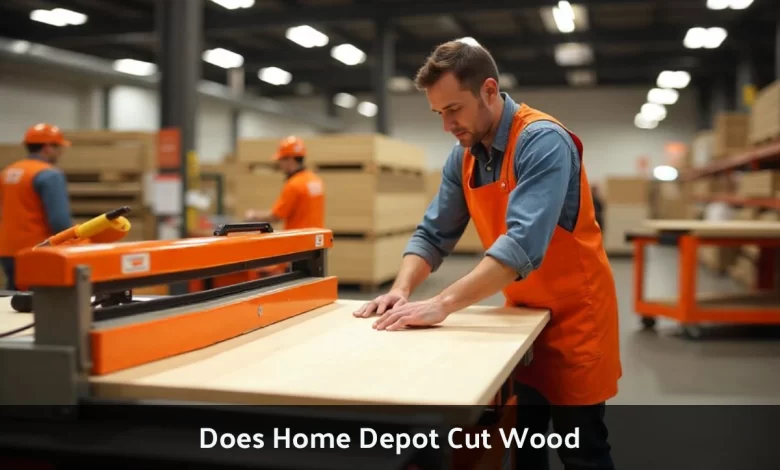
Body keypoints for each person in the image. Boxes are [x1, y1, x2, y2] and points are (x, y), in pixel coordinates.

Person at [352, 40, 620, 470]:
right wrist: (401, 289)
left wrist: (441, 304)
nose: (447, 125)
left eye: (454, 109)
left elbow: (520, 247)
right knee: (524, 446)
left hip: (576, 318)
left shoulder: (542, 141)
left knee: (583, 449)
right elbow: (433, 234)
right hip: (522, 317)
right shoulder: (464, 157)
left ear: (490, 91)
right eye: (439, 113)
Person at [0, 123, 74, 291]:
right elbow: (59, 220)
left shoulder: (8, 172)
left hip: (7, 250)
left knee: (14, 301)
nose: (61, 152)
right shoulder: (49, 174)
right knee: (41, 304)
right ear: (48, 147)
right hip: (37, 251)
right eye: (59, 147)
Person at [244, 135, 325, 230]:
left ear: (290, 159)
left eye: (281, 160)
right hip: (317, 239)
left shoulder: (294, 184)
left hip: (299, 241)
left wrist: (253, 215)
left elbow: (276, 216)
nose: (279, 164)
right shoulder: (316, 180)